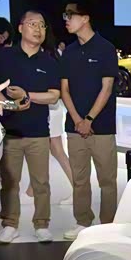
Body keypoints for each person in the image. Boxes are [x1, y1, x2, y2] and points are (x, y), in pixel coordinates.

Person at [0, 10, 61, 244]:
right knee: (10, 183)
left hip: (38, 132)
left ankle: (42, 224)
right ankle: (10, 224)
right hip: (10, 132)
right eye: (32, 24)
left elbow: (54, 96)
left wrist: (26, 96)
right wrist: (12, 105)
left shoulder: (49, 61)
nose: (38, 29)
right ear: (20, 28)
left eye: (42, 25)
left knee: (41, 182)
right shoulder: (3, 56)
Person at [59, 0, 119, 241]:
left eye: (70, 15)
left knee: (107, 180)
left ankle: (108, 225)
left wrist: (89, 119)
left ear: (85, 18)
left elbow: (107, 88)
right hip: (75, 127)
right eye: (65, 15)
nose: (66, 20)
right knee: (80, 179)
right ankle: (82, 221)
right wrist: (78, 120)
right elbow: (64, 90)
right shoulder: (69, 52)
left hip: (101, 127)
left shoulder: (106, 48)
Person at [25, 30, 74, 205]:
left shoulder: (46, 60)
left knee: (56, 151)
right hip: (50, 110)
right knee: (46, 151)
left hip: (50, 110)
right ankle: (31, 191)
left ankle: (79, 190)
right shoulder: (51, 57)